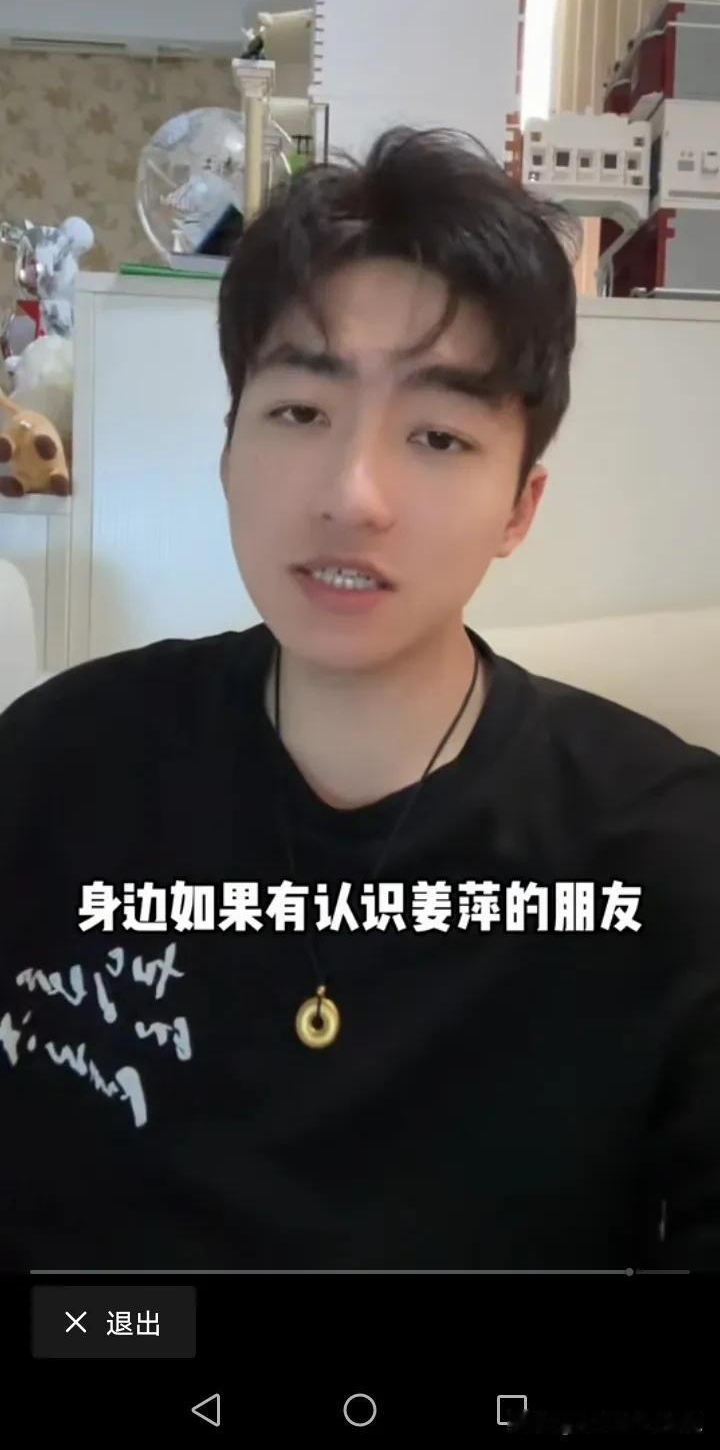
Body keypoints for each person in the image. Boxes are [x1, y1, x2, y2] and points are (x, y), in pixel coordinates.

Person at [1, 126, 719, 1273]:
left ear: (521, 507)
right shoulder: (54, 766)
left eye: (438, 435)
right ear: (227, 449)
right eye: (300, 412)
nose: (354, 495)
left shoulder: (671, 853)